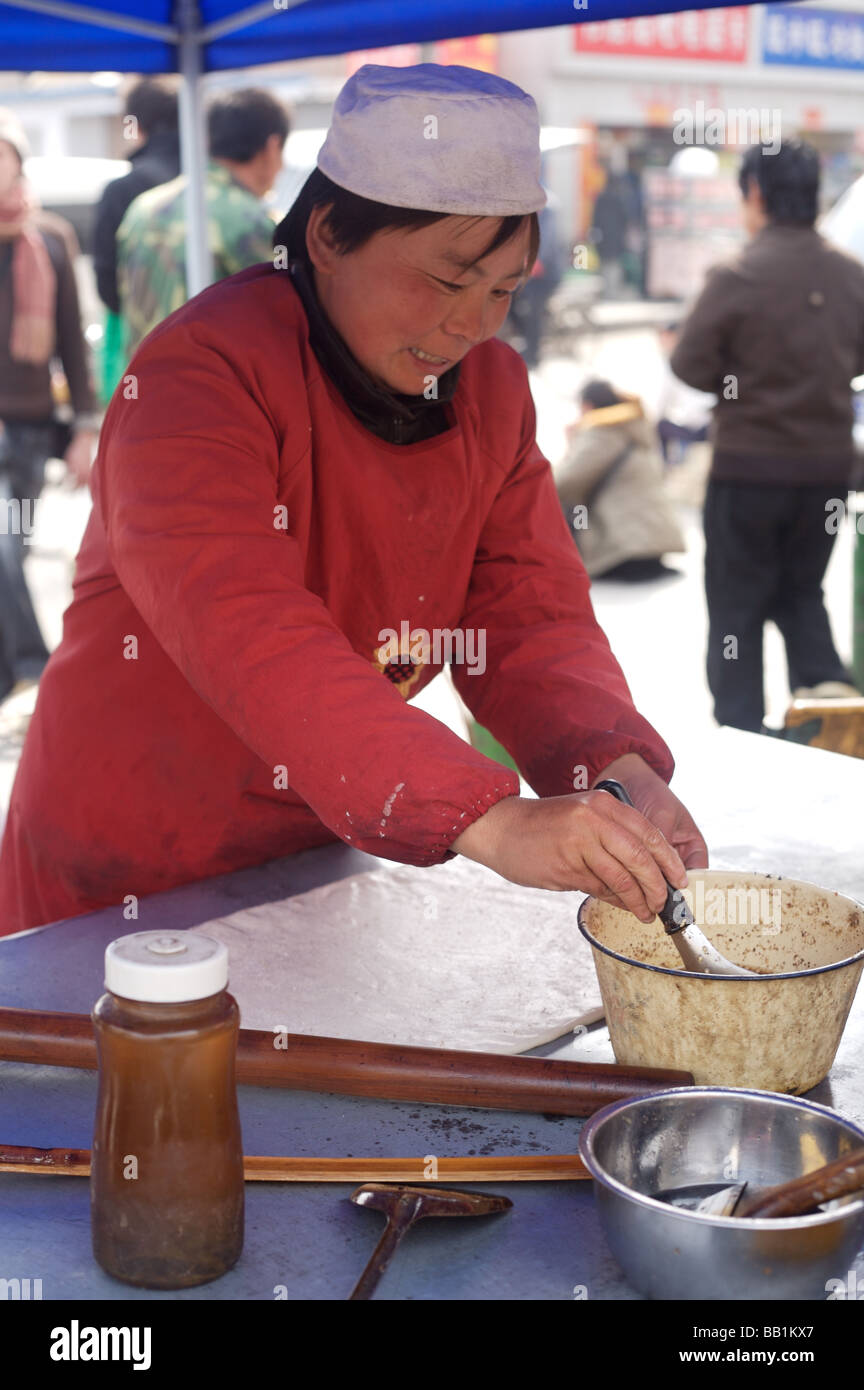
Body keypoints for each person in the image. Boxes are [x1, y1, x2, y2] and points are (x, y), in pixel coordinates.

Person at [0, 64, 707, 934]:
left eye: (504, 290)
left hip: (320, 846)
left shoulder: (489, 385)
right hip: (127, 863)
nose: (471, 325)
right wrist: (487, 819)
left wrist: (617, 763)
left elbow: (527, 612)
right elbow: (251, 632)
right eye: (449, 282)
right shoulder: (199, 376)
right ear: (329, 233)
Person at [671, 140, 864, 732]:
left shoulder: (737, 274)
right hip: (828, 475)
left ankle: (742, 737)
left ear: (754, 194)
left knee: (737, 611)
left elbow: (688, 365)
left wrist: (741, 380)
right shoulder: (851, 276)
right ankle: (836, 723)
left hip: (748, 474)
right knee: (803, 594)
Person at [0, 111, 98, 704]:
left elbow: (71, 339)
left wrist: (86, 426)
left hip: (35, 426)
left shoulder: (51, 237)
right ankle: (35, 668)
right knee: (3, 541)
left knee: (15, 541)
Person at [116, 87, 289, 359]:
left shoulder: (143, 208)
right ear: (272, 146)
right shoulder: (251, 221)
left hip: (141, 387)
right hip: (209, 391)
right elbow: (281, 323)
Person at [92, 79, 180, 402]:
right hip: (224, 370)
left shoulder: (122, 191)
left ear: (135, 124)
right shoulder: (213, 181)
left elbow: (108, 289)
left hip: (146, 366)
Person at [556, 379, 686, 581]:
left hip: (622, 551)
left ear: (587, 406)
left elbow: (564, 484)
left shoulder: (601, 434)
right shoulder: (635, 427)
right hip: (654, 546)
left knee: (572, 506)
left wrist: (573, 442)